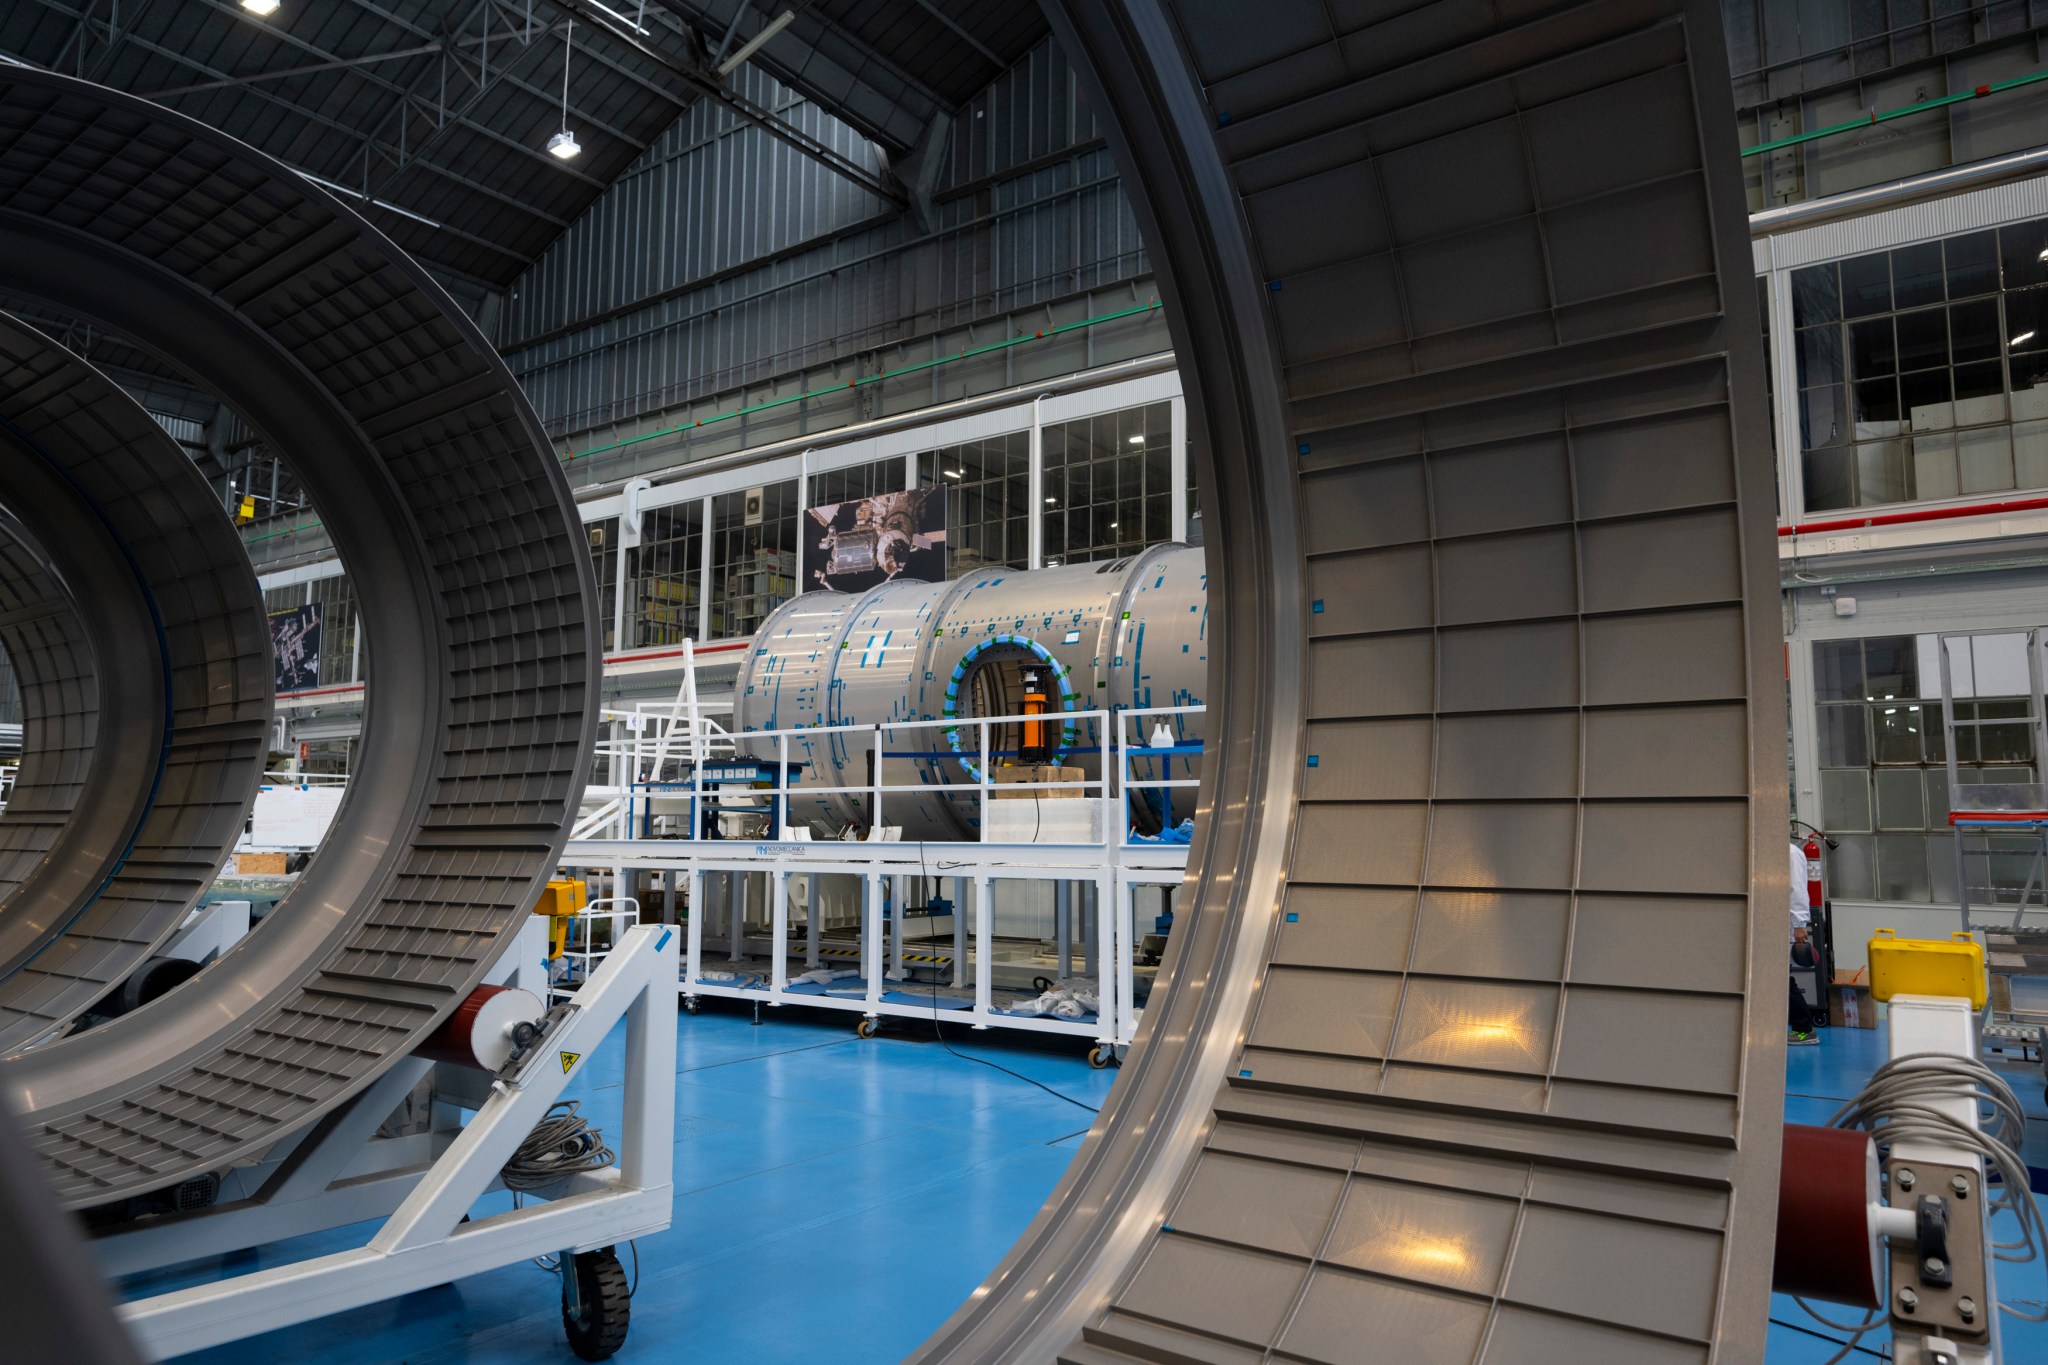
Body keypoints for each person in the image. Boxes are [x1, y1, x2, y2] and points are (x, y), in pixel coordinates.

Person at [1789, 840, 1819, 1046]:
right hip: (1773, 925)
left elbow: (1797, 889)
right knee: (1779, 979)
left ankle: (1804, 1029)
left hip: (1787, 925)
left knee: (1780, 979)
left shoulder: (1790, 853)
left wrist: (1799, 925)